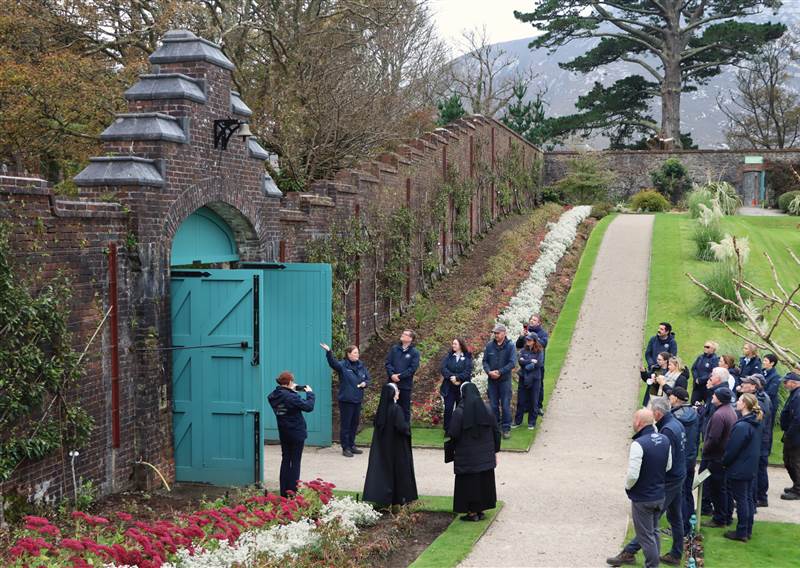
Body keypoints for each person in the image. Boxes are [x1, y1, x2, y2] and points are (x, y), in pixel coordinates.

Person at [614, 398, 686, 566]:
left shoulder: (666, 430)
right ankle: (676, 553)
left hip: (667, 481)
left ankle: (630, 552)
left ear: (658, 413)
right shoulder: (676, 424)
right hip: (678, 475)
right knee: (675, 517)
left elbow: (662, 462)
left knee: (648, 526)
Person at [606, 408, 671, 568]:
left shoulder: (639, 444)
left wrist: (628, 487)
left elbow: (633, 475)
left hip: (643, 497)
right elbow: (668, 466)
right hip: (659, 494)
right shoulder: (664, 439)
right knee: (654, 531)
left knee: (645, 536)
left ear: (639, 423)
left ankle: (652, 565)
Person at [447, 382, 501, 521]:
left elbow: (453, 433)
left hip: (467, 458)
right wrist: (494, 451)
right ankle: (480, 510)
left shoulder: (459, 412)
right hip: (485, 457)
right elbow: (496, 431)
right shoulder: (487, 409)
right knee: (483, 482)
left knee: (469, 485)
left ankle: (471, 512)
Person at [363, 383, 418, 507]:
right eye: (397, 390)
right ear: (393, 393)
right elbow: (402, 427)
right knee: (399, 472)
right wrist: (407, 428)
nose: (399, 392)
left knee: (387, 472)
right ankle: (400, 498)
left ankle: (386, 498)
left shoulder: (381, 410)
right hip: (397, 447)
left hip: (385, 448)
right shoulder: (395, 409)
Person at [722, 393, 763, 541]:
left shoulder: (742, 426)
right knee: (747, 499)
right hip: (750, 466)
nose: (737, 402)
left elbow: (732, 449)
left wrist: (724, 462)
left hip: (740, 468)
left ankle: (741, 532)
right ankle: (747, 529)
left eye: (739, 400)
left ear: (745, 404)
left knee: (742, 500)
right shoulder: (755, 422)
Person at [267, 371, 315, 497]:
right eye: (292, 382)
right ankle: (292, 492)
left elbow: (286, 404)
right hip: (296, 432)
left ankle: (284, 491)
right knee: (295, 462)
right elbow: (308, 407)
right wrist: (310, 393)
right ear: (289, 382)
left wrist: (292, 391)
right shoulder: (291, 397)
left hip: (284, 432)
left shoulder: (273, 396)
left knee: (285, 460)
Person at [321, 342, 369, 458]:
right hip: (346, 400)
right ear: (348, 354)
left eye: (358, 352)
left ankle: (352, 445)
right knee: (346, 425)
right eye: (355, 352)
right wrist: (328, 352)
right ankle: (346, 447)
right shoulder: (342, 365)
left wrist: (365, 383)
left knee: (354, 423)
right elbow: (333, 363)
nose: (357, 354)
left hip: (357, 399)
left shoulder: (361, 365)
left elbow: (367, 378)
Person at [701, 387, 737, 528]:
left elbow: (714, 438)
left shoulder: (719, 415)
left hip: (716, 457)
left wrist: (705, 450)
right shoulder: (730, 411)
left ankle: (719, 518)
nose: (712, 397)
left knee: (717, 489)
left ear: (720, 399)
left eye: (715, 396)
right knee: (724, 488)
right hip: (723, 455)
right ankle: (726, 516)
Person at [738, 376, 772, 508]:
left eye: (745, 383)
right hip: (761, 440)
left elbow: (759, 425)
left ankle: (759, 498)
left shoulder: (760, 401)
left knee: (758, 470)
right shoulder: (759, 397)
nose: (742, 384)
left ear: (753, 387)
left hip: (760, 442)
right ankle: (757, 498)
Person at [670, 386, 700, 537]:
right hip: (691, 458)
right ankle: (688, 524)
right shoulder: (695, 414)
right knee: (687, 492)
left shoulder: (674, 417)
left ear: (676, 398)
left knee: (678, 494)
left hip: (679, 460)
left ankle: (680, 526)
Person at [482, 323, 516, 439]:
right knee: (493, 405)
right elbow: (485, 361)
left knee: (505, 405)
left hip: (504, 381)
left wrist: (500, 372)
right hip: (492, 381)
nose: (496, 335)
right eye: (495, 333)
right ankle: (495, 428)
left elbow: (512, 363)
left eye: (498, 333)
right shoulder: (489, 346)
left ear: (504, 333)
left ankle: (506, 428)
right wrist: (489, 372)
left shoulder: (510, 346)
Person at [385, 329, 420, 424]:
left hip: (405, 386)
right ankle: (390, 431)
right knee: (390, 408)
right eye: (403, 333)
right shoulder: (394, 349)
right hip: (392, 384)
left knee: (404, 409)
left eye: (405, 334)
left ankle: (405, 432)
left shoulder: (414, 353)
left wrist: (399, 376)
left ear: (410, 339)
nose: (402, 335)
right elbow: (388, 363)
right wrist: (392, 374)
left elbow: (412, 369)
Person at [516, 314, 549, 415]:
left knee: (539, 386)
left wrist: (533, 337)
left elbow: (543, 344)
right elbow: (518, 345)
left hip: (537, 364)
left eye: (534, 320)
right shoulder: (526, 332)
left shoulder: (542, 333)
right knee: (525, 384)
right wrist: (522, 337)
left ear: (539, 323)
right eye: (531, 319)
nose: (532, 321)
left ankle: (538, 406)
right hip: (525, 363)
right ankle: (527, 406)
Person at [439, 338, 474, 432]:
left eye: (455, 344)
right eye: (453, 344)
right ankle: (447, 429)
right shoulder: (449, 356)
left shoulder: (467, 357)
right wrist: (452, 377)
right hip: (449, 387)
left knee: (461, 409)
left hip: (462, 388)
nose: (453, 345)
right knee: (448, 408)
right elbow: (443, 368)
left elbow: (468, 371)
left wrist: (458, 378)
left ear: (460, 345)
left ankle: (460, 429)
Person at [513, 332, 544, 430]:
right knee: (521, 400)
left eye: (530, 340)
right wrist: (530, 362)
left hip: (535, 379)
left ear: (534, 341)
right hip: (523, 377)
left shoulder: (539, 351)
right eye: (527, 340)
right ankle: (518, 421)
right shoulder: (523, 350)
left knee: (533, 400)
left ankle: (532, 422)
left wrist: (528, 362)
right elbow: (520, 361)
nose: (527, 341)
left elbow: (539, 363)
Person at [779, 371, 800, 501]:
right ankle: (796, 485)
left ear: (794, 383)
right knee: (788, 461)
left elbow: (798, 419)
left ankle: (798, 490)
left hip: (796, 436)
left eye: (786, 382)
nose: (785, 384)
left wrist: (790, 434)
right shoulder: (794, 394)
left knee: (794, 461)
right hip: (791, 433)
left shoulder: (798, 396)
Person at [761, 354, 781, 420]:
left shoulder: (776, 377)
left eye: (765, 361)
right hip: (761, 402)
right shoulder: (761, 372)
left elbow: (771, 392)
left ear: (772, 363)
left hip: (770, 404)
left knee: (768, 426)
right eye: (763, 360)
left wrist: (758, 394)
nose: (763, 362)